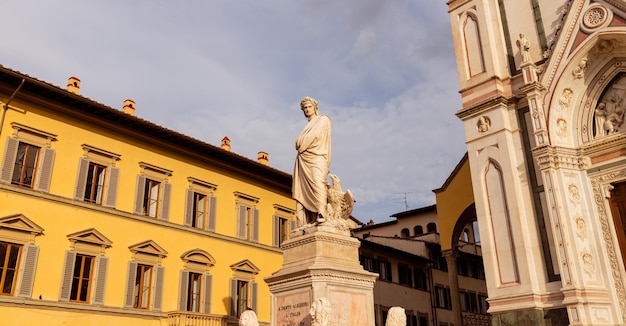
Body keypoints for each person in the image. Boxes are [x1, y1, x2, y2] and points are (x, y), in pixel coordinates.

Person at [293, 96, 332, 226]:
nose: (307, 110)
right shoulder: (307, 126)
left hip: (317, 157)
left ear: (315, 108)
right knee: (302, 191)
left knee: (318, 181)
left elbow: (312, 137)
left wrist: (301, 142)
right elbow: (299, 143)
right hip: (303, 161)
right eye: (304, 108)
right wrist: (300, 143)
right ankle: (307, 220)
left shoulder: (323, 120)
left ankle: (322, 212)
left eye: (309, 107)